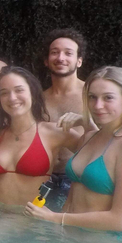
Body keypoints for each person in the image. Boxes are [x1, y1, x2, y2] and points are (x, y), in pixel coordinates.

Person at [24, 66, 122, 231]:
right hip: (67, 235)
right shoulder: (90, 137)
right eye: (92, 97)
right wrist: (84, 121)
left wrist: (54, 217)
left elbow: (120, 221)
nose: (98, 106)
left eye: (108, 98)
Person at [0, 67, 82, 213]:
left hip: (28, 218)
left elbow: (98, 153)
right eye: (4, 93)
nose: (12, 98)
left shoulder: (54, 132)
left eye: (19, 90)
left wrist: (87, 123)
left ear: (32, 93)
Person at [41, 28, 90, 192]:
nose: (60, 58)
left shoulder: (93, 96)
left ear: (79, 61)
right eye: (55, 52)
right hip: (43, 177)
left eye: (68, 53)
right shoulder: (38, 99)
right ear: (46, 61)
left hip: (79, 179)